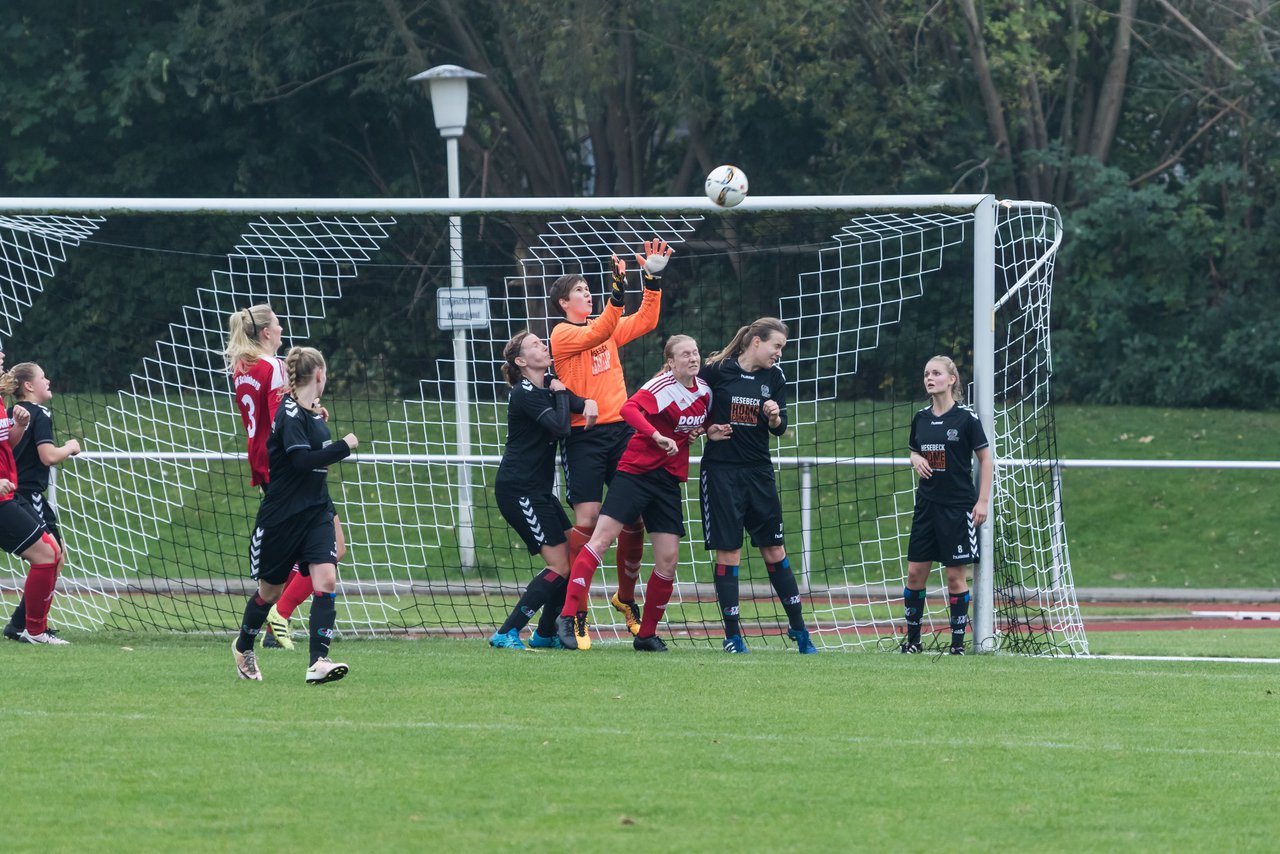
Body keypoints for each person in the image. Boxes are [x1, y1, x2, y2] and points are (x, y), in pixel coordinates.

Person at [555, 335, 723, 652]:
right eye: (685, 354)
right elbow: (629, 409)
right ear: (670, 362)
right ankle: (568, 616)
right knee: (601, 539)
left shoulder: (704, 392)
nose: (693, 357)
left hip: (668, 482)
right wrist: (656, 435)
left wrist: (710, 430)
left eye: (696, 352)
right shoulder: (661, 386)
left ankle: (646, 635)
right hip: (635, 473)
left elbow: (698, 424)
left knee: (668, 559)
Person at [549, 238, 671, 647]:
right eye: (579, 290)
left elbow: (647, 320)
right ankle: (577, 609)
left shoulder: (605, 328)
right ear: (565, 304)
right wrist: (618, 291)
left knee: (633, 520)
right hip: (584, 436)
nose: (587, 292)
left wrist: (650, 278)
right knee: (588, 520)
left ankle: (625, 599)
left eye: (589, 288)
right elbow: (602, 325)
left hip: (622, 431)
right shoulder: (563, 334)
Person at [224, 303, 347, 650]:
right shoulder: (273, 366)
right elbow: (285, 419)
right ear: (265, 333)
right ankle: (279, 615)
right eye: (277, 324)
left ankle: (277, 617)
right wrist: (315, 419)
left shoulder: (242, 366)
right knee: (332, 549)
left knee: (316, 550)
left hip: (262, 464)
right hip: (287, 468)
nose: (281, 329)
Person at [699, 318, 818, 654]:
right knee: (729, 552)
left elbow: (779, 428)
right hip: (721, 473)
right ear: (755, 341)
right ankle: (733, 636)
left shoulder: (775, 377)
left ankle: (799, 629)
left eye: (782, 348)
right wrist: (707, 428)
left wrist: (776, 417)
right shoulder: (717, 370)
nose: (779, 354)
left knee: (775, 550)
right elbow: (693, 406)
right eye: (776, 346)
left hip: (759, 473)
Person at [488, 331, 597, 649]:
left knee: (573, 558)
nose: (543, 346)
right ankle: (507, 632)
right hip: (518, 491)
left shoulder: (548, 384)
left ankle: (546, 633)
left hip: (538, 491)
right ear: (521, 361)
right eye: (535, 344)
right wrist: (564, 396)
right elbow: (561, 426)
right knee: (559, 565)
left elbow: (577, 403)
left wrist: (586, 401)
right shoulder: (525, 393)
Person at [900, 355, 992, 655]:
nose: (929, 378)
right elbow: (914, 450)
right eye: (926, 373)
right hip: (926, 507)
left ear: (951, 380)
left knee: (955, 577)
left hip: (958, 508)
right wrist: (916, 459)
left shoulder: (966, 419)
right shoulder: (921, 418)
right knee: (915, 573)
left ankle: (956, 645)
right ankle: (912, 641)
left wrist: (982, 501)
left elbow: (985, 459)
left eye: (936, 373)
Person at [2, 362, 81, 643]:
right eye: (43, 377)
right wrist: (70, 447)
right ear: (29, 386)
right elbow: (47, 456)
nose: (48, 380)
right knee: (53, 556)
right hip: (25, 495)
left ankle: (23, 624)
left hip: (13, 493)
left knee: (51, 556)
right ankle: (31, 626)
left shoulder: (12, 413)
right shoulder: (40, 413)